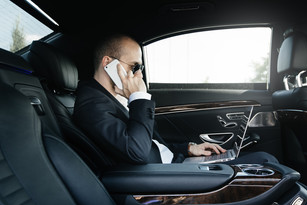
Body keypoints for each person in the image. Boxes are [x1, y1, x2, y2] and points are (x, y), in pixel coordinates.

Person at [73, 34, 278, 165]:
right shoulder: (91, 105)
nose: (138, 75)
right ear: (108, 63)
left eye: (140, 69)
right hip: (164, 178)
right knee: (264, 162)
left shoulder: (110, 99)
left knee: (263, 162)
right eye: (134, 67)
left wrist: (188, 149)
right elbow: (136, 150)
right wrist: (138, 98)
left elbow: (149, 142)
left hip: (174, 165)